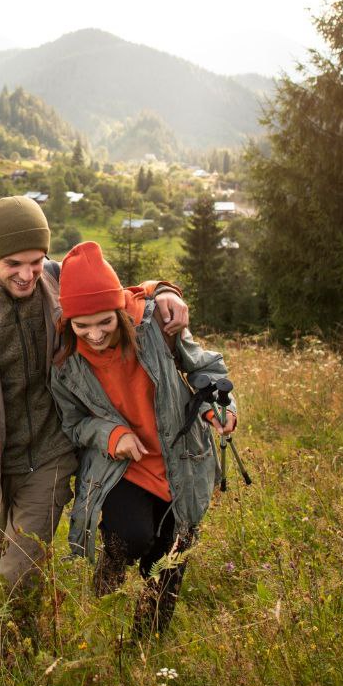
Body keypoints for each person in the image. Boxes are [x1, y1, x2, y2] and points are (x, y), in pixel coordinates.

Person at [0, 197, 189, 632]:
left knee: (16, 571)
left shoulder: (57, 281)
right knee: (7, 560)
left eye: (36, 260)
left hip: (49, 454)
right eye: (14, 263)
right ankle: (31, 639)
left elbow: (116, 295)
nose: (28, 274)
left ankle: (0, 651)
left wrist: (165, 291)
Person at [49, 241, 236, 638]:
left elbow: (205, 368)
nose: (95, 334)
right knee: (130, 537)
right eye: (82, 326)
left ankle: (146, 644)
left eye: (104, 322)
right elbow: (73, 424)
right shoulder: (65, 365)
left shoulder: (154, 330)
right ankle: (106, 586)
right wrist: (112, 435)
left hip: (181, 462)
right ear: (68, 322)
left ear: (119, 312)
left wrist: (220, 407)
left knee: (170, 556)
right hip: (122, 469)